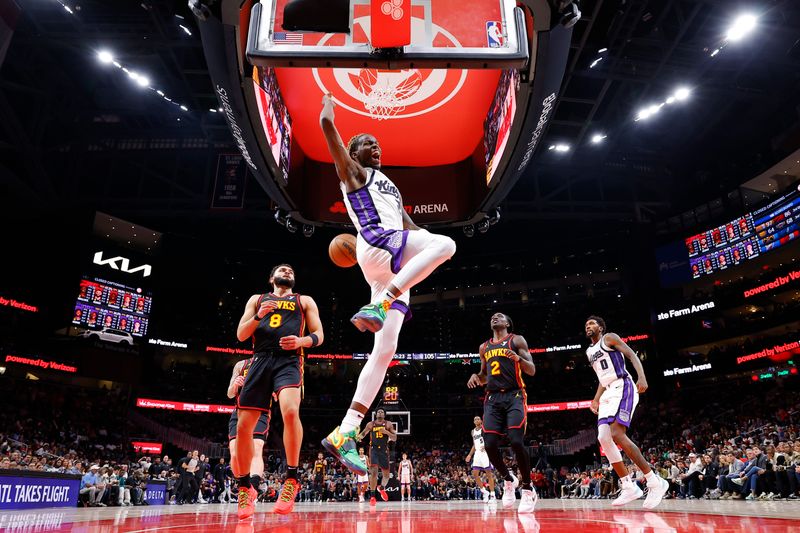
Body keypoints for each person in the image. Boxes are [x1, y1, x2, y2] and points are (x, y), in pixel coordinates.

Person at [318, 93, 457, 474]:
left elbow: (413, 228)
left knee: (384, 351)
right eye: (367, 144)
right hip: (379, 243)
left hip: (390, 261)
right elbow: (329, 130)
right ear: (354, 153)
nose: (375, 147)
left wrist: (424, 245)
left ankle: (345, 432)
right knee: (448, 244)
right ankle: (381, 303)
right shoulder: (354, 175)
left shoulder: (390, 186)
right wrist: (328, 108)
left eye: (377, 144)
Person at [234, 263, 324, 518]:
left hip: (289, 359)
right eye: (282, 270)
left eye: (291, 271)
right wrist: (258, 315)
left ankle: (292, 479)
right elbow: (241, 335)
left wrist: (302, 341)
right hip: (259, 359)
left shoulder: (303, 300)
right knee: (243, 427)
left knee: (291, 411)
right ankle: (244, 488)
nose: (287, 272)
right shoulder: (257, 299)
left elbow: (319, 335)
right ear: (271, 277)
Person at [584, 316, 669, 509]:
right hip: (607, 391)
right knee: (604, 438)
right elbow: (602, 377)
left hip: (623, 386)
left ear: (601, 327)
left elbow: (631, 355)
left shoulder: (609, 338)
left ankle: (654, 481)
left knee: (616, 433)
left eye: (592, 324)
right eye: (586, 325)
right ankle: (628, 486)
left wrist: (642, 377)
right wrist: (596, 399)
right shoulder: (589, 351)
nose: (588, 326)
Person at [467, 313, 537, 513]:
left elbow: (531, 370)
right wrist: (475, 376)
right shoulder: (484, 347)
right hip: (492, 398)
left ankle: (527, 489)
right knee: (488, 444)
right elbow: (484, 376)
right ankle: (508, 480)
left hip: (514, 395)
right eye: (492, 317)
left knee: (516, 441)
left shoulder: (516, 340)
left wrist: (518, 359)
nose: (495, 318)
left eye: (500, 316)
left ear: (507, 323)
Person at [227, 357, 270, 498]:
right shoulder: (241, 365)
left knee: (257, 446)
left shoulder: (270, 362)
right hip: (239, 411)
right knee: (234, 453)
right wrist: (235, 386)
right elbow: (229, 394)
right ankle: (244, 485)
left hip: (260, 410)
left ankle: (253, 487)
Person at [357, 408, 396, 505]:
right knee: (373, 473)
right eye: (378, 411)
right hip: (373, 450)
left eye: (382, 412)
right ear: (376, 414)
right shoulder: (371, 424)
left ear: (384, 415)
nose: (380, 413)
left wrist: (386, 432)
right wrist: (357, 436)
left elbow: (394, 437)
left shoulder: (388, 424)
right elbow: (363, 434)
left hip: (384, 450)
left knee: (386, 476)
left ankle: (381, 488)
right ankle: (373, 497)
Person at [465, 415, 496, 502]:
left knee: (489, 474)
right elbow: (474, 445)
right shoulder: (473, 431)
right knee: (475, 474)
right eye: (475, 419)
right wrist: (470, 455)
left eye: (478, 418)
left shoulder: (484, 429)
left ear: (481, 421)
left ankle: (493, 495)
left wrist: (486, 446)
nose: (476, 420)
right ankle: (484, 491)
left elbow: (491, 439)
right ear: (474, 422)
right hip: (477, 453)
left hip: (485, 453)